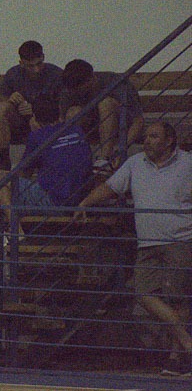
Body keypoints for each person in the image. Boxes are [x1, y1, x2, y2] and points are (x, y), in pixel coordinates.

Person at [77, 121, 192, 376]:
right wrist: (86, 201)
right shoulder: (135, 163)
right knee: (143, 293)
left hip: (181, 241)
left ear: (169, 140)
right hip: (147, 243)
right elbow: (111, 187)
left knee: (179, 298)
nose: (147, 141)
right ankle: (187, 342)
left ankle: (177, 359)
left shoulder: (188, 163)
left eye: (154, 136)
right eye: (146, 136)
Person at [59, 59, 145, 169]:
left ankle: (104, 158)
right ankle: (74, 159)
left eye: (80, 89)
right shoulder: (69, 90)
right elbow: (62, 123)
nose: (76, 93)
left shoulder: (116, 82)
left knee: (106, 103)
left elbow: (138, 121)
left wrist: (122, 148)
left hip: (121, 128)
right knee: (73, 112)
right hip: (92, 130)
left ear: (91, 79)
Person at [7, 97, 92, 207]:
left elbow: (24, 173)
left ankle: (12, 219)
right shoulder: (77, 130)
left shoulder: (37, 136)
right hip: (82, 198)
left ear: (34, 118)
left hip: (54, 200)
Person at [0, 41, 64, 170]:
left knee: (39, 121)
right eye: (30, 66)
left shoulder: (56, 74)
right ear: (21, 63)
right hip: (19, 121)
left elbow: (61, 107)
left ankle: (50, 160)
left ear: (43, 57)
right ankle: (4, 160)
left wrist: (36, 112)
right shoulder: (13, 74)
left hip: (47, 121)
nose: (36, 69)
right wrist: (11, 100)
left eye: (39, 64)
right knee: (2, 108)